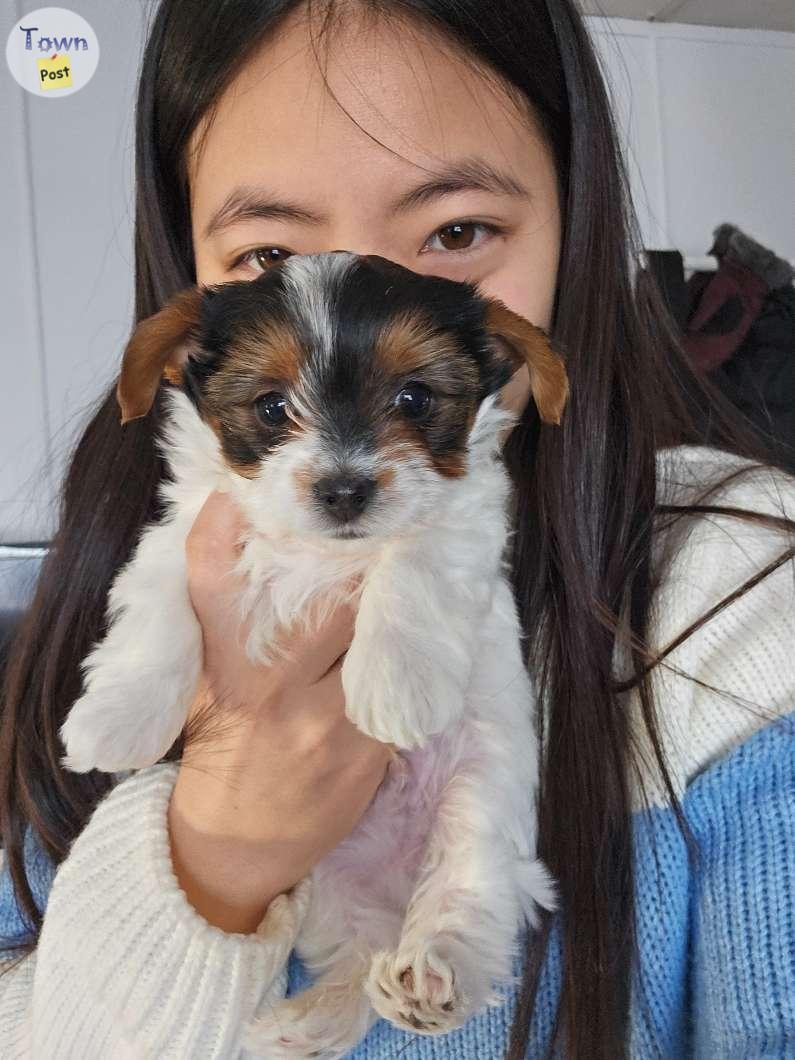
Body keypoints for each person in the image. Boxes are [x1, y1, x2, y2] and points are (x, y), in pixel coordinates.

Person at [0, 0, 793, 1056]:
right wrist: (218, 851)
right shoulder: (87, 591)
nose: (366, 294)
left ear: (577, 218)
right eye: (269, 247)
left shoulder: (743, 592)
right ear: (182, 254)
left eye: (456, 232)